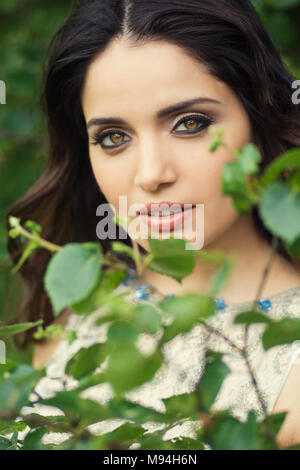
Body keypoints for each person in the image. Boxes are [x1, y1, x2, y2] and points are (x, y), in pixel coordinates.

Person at [5, 0, 300, 449]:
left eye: (190, 123)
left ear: (260, 120)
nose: (150, 174)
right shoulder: (72, 307)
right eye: (113, 137)